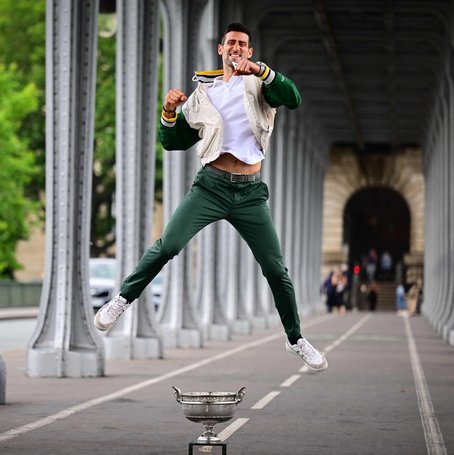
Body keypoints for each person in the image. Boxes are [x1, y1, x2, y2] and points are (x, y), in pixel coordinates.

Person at [94, 23, 327, 372]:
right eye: (231, 43)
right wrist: (169, 111)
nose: (236, 48)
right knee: (168, 245)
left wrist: (263, 71)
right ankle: (122, 300)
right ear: (221, 50)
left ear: (248, 52)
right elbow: (173, 142)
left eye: (242, 45)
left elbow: (293, 98)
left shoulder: (261, 86)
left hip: (249, 192)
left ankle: (296, 339)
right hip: (211, 186)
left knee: (276, 269)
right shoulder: (205, 93)